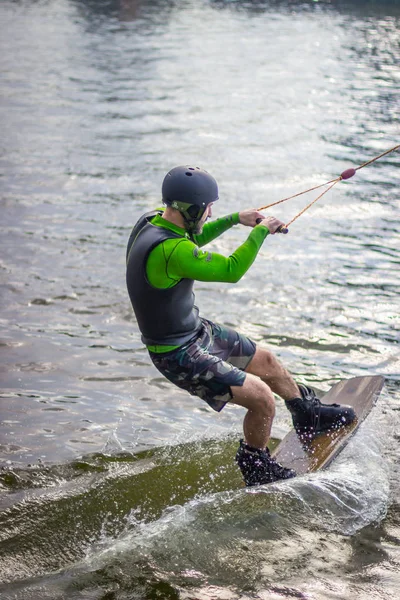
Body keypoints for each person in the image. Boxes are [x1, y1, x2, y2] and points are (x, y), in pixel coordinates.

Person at [126, 166, 356, 486]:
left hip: (195, 331)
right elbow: (232, 270)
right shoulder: (170, 251)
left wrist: (236, 218)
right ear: (190, 210)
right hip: (176, 352)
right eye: (207, 208)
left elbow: (195, 235)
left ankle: (307, 413)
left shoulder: (153, 221)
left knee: (267, 362)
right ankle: (256, 467)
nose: (210, 213)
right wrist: (261, 232)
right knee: (261, 397)